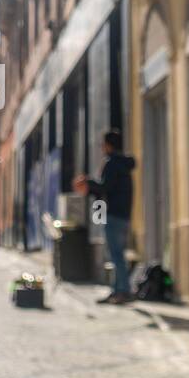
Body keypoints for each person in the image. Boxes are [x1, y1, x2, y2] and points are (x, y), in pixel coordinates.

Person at [75, 129, 137, 304]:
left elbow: (105, 187)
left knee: (116, 255)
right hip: (124, 214)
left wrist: (88, 182)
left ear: (109, 145)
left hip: (114, 214)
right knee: (118, 254)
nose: (101, 147)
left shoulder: (111, 164)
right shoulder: (124, 165)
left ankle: (123, 291)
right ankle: (117, 290)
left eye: (103, 144)